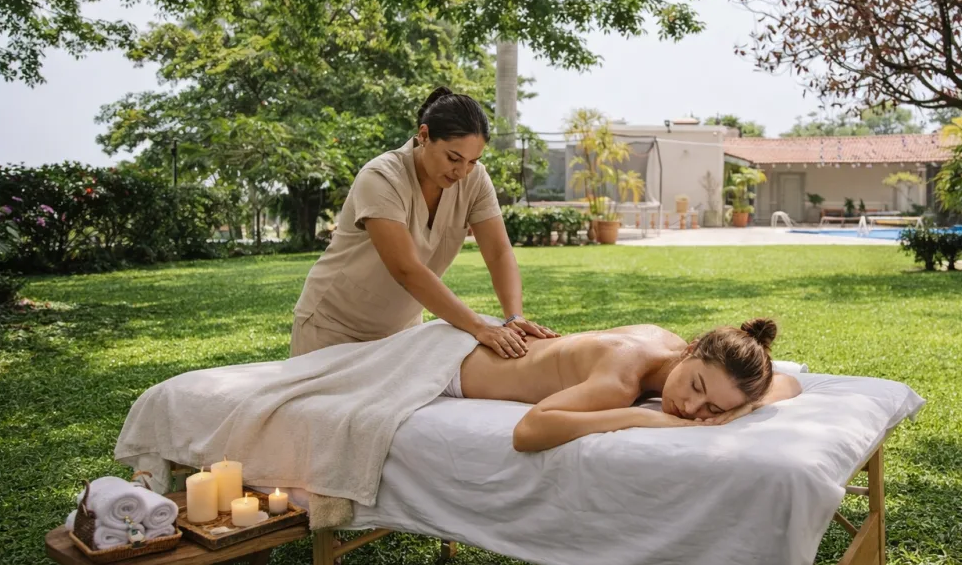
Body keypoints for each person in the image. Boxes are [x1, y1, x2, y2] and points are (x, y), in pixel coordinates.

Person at [291, 86, 556, 358]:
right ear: (424, 135)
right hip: (332, 327)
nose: (462, 172)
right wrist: (479, 327)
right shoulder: (381, 177)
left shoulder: (475, 180)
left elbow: (498, 252)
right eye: (454, 158)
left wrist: (513, 316)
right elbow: (406, 269)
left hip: (400, 331)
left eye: (472, 161)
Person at [443, 317, 803, 452]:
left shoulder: (670, 346)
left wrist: (746, 405)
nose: (692, 410)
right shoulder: (620, 381)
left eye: (713, 408)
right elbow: (528, 432)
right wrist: (640, 418)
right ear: (691, 350)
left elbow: (789, 382)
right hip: (448, 364)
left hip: (482, 345)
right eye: (696, 387)